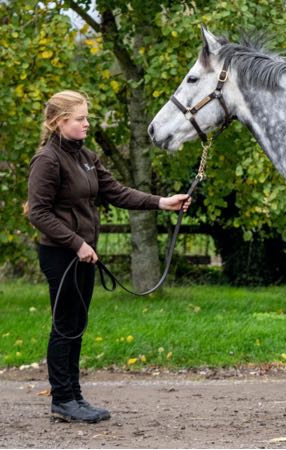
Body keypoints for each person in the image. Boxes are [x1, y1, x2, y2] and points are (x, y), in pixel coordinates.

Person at [26, 90, 191, 423]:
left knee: (77, 325)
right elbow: (38, 213)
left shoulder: (86, 156)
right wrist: (77, 244)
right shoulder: (47, 160)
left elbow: (116, 192)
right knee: (65, 326)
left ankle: (74, 396)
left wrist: (162, 202)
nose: (87, 123)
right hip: (60, 255)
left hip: (83, 255)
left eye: (87, 117)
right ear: (60, 122)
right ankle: (62, 399)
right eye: (80, 118)